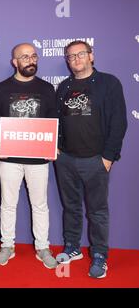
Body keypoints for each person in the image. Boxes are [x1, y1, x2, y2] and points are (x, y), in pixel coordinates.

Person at [55, 40, 127, 278]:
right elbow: (56, 122)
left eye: (80, 54)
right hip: (65, 159)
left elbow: (119, 122)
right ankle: (73, 246)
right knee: (71, 207)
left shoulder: (109, 83)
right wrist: (56, 149)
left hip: (96, 160)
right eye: (71, 56)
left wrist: (108, 157)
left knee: (97, 211)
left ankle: (99, 255)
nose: (76, 59)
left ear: (91, 56)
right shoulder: (64, 87)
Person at [0, 43, 58, 269]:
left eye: (34, 56)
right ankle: (7, 245)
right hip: (9, 159)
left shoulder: (47, 89)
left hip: (38, 159)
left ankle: (42, 247)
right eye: (25, 57)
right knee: (8, 204)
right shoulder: (1, 89)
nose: (30, 61)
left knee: (40, 205)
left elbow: (54, 120)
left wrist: (53, 143)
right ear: (14, 62)